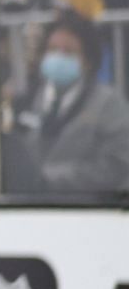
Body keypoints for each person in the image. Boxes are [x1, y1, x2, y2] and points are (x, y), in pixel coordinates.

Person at [9, 15, 129, 196]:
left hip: (88, 206)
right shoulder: (26, 100)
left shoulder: (109, 105)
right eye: (52, 49)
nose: (58, 57)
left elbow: (117, 165)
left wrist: (49, 178)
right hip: (29, 206)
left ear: (87, 61)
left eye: (69, 52)